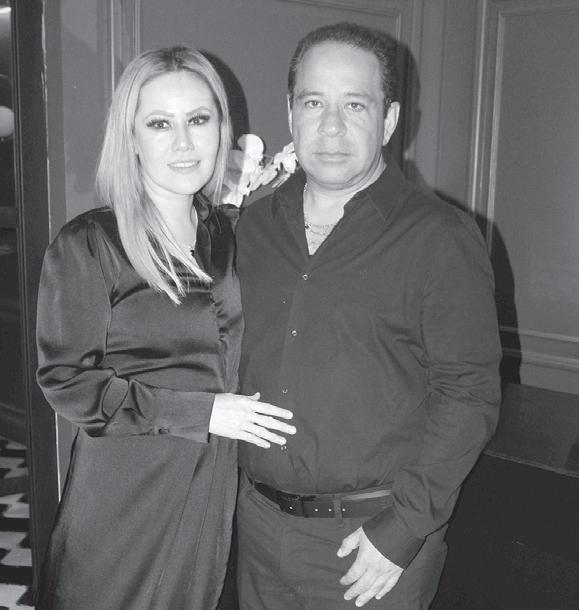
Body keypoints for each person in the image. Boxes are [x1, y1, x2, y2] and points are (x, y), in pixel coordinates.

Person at [235, 22, 502, 609]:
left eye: (355, 104)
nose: (331, 126)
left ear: (389, 120)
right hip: (256, 528)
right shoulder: (253, 228)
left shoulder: (439, 238)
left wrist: (403, 529)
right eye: (314, 103)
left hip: (369, 545)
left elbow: (470, 393)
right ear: (290, 112)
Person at [35, 46, 295, 610]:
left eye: (198, 120)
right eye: (159, 124)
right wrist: (202, 412)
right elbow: (66, 381)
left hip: (212, 483)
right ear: (131, 138)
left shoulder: (225, 234)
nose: (183, 143)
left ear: (222, 129)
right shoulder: (91, 243)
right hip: (127, 488)